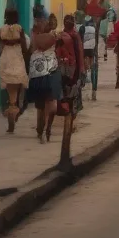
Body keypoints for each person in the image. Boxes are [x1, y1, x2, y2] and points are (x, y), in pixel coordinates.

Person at [26, 11, 62, 143]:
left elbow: (32, 50)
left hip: (37, 73)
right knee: (51, 104)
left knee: (41, 105)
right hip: (51, 72)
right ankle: (46, 129)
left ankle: (41, 130)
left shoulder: (36, 36)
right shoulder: (53, 37)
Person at [56, 15, 84, 126]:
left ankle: (69, 121)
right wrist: (82, 69)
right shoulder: (73, 36)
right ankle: (70, 122)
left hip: (66, 70)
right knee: (72, 96)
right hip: (72, 70)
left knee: (67, 95)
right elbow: (80, 53)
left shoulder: (61, 36)